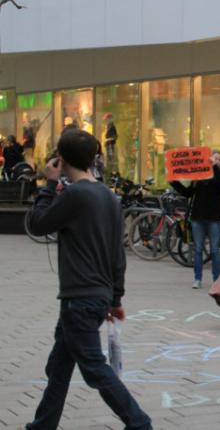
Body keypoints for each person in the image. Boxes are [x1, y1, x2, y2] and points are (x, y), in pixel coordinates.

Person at [25, 129, 152, 429]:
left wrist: (49, 184)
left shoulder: (75, 194)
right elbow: (117, 256)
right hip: (95, 296)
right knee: (59, 367)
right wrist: (116, 298)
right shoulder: (108, 196)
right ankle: (42, 425)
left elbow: (37, 223)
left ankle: (139, 423)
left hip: (78, 299)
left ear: (61, 158)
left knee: (94, 368)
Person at [170, 149, 220, 289]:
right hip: (198, 217)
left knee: (214, 250)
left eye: (219, 159)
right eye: (213, 158)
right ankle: (198, 278)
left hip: (214, 218)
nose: (215, 161)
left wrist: (214, 166)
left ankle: (217, 278)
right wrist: (174, 183)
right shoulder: (199, 177)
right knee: (197, 249)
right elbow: (188, 193)